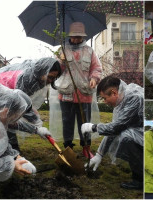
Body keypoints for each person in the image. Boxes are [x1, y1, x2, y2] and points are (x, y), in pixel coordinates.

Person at [81, 76, 143, 190]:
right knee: (126, 134)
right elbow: (114, 128)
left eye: (104, 98)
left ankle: (140, 180)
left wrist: (94, 127)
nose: (105, 102)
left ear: (114, 93)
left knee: (127, 136)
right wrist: (99, 154)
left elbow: (116, 127)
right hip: (141, 135)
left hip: (147, 137)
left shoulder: (134, 98)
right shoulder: (122, 99)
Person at [54, 22, 102, 158]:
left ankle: (86, 147)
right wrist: (60, 62)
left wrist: (94, 78)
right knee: (67, 121)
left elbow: (96, 68)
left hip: (84, 93)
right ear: (70, 36)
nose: (76, 39)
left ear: (83, 36)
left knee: (85, 122)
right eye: (74, 36)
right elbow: (56, 71)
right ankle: (68, 147)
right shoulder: (62, 50)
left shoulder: (89, 51)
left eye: (79, 37)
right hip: (66, 93)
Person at [0, 57, 62, 151]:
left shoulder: (37, 79)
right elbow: (21, 104)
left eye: (54, 78)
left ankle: (12, 150)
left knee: (8, 119)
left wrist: (36, 126)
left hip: (7, 94)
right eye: (50, 77)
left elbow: (25, 104)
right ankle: (9, 151)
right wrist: (37, 124)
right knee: (4, 120)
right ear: (42, 71)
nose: (51, 81)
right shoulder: (27, 79)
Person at [0, 84, 37, 181]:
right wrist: (11, 165)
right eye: (18, 115)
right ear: (7, 110)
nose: (17, 119)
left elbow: (1, 144)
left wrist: (16, 156)